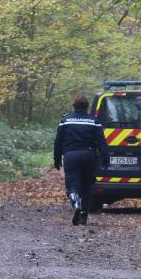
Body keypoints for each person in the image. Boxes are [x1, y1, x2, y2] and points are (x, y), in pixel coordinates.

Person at [52, 94, 110, 225]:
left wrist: (56, 159)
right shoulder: (94, 121)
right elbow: (102, 142)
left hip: (71, 155)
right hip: (88, 155)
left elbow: (58, 141)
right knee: (87, 186)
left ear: (74, 106)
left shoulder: (65, 120)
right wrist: (106, 158)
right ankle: (84, 215)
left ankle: (75, 201)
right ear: (87, 107)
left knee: (72, 184)